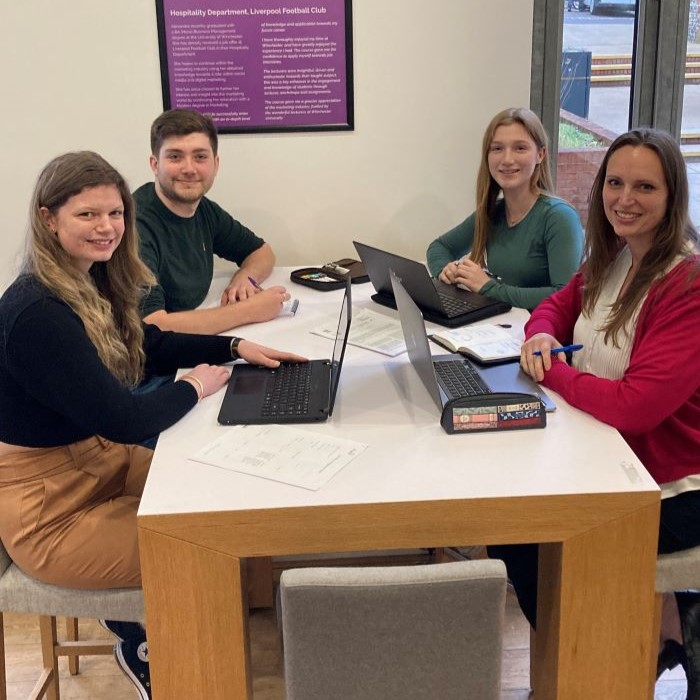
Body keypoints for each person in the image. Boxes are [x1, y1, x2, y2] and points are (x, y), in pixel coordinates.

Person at [0, 151, 306, 699]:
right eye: (87, 215)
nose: (107, 227)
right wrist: (195, 385)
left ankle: (193, 640)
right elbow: (122, 418)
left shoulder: (87, 282)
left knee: (225, 500)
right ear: (49, 219)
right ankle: (159, 654)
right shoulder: (37, 313)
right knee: (203, 550)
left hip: (96, 467)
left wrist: (233, 347)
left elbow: (150, 346)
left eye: (115, 213)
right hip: (52, 510)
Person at [490, 129, 700, 695]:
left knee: (537, 533)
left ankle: (615, 651)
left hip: (675, 482)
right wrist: (538, 337)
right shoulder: (614, 258)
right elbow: (559, 304)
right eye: (615, 182)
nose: (624, 199)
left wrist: (552, 370)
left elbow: (635, 408)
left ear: (672, 195)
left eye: (644, 187)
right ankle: (594, 649)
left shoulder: (686, 283)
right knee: (509, 523)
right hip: (609, 456)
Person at [133, 108, 290, 335]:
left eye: (200, 157)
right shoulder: (135, 227)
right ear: (155, 165)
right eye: (175, 156)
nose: (189, 168)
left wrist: (245, 279)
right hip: (155, 361)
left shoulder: (204, 210)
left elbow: (261, 252)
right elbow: (154, 325)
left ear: (215, 164)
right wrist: (250, 310)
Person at [426, 107, 583, 311]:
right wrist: (444, 271)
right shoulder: (493, 212)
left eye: (520, 148)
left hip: (542, 336)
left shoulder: (559, 217)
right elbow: (438, 248)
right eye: (497, 149)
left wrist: (488, 288)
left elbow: (565, 296)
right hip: (503, 327)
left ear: (540, 154)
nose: (507, 159)